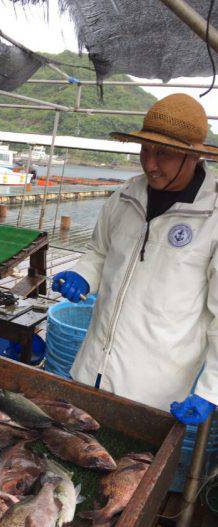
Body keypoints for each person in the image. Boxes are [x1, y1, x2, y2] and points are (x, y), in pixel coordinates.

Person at [52, 94, 218, 426]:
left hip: (154, 389)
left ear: (194, 156)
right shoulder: (125, 196)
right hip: (91, 367)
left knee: (133, 471)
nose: (150, 164)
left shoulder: (213, 215)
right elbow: (99, 252)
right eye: (145, 150)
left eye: (164, 154)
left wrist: (211, 389)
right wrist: (84, 275)